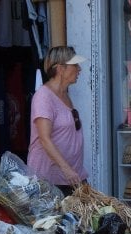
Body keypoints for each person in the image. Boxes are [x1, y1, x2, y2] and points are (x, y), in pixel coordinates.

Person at [27, 46, 88, 196]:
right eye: (75, 65)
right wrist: (66, 169)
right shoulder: (43, 97)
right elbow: (44, 138)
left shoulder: (64, 95)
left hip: (71, 177)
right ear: (60, 69)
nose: (79, 69)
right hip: (51, 180)